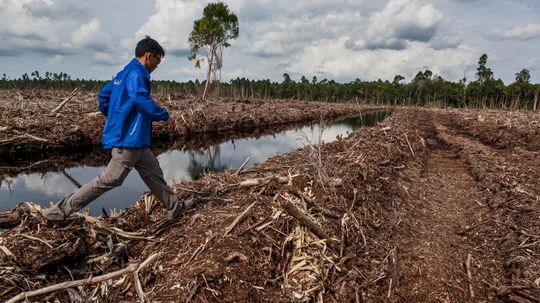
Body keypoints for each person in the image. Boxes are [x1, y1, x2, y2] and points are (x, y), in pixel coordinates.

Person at [44, 36, 184, 229]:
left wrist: (115, 114)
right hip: (128, 139)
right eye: (157, 61)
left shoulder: (123, 73)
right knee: (111, 179)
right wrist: (164, 115)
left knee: (153, 171)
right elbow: (139, 99)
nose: (157, 66)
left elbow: (104, 95)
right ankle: (57, 213)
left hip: (137, 140)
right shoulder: (137, 73)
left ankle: (174, 206)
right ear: (149, 56)